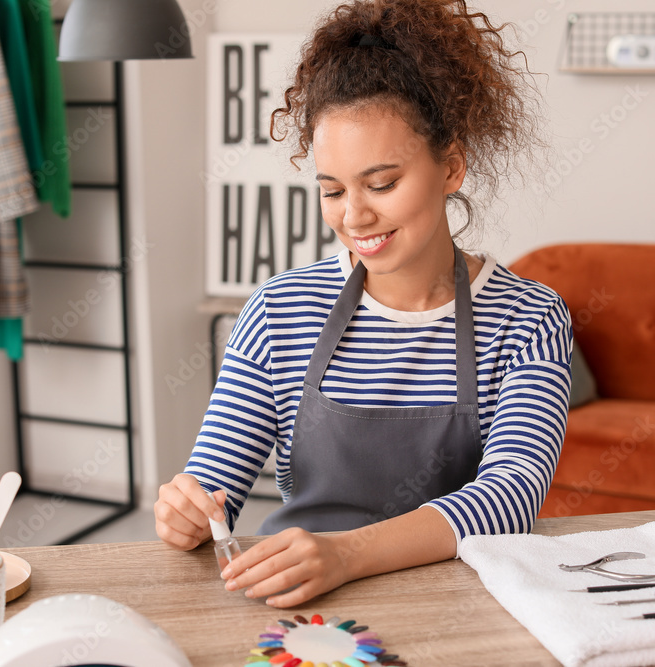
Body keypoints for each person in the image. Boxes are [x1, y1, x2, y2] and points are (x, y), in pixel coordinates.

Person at [155, 0, 572, 608]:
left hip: (460, 607)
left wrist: (346, 554)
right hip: (301, 602)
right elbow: (214, 485)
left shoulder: (528, 319)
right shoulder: (278, 310)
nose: (354, 216)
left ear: (450, 166)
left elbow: (509, 496)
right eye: (332, 190)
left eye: (382, 184)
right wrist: (187, 512)